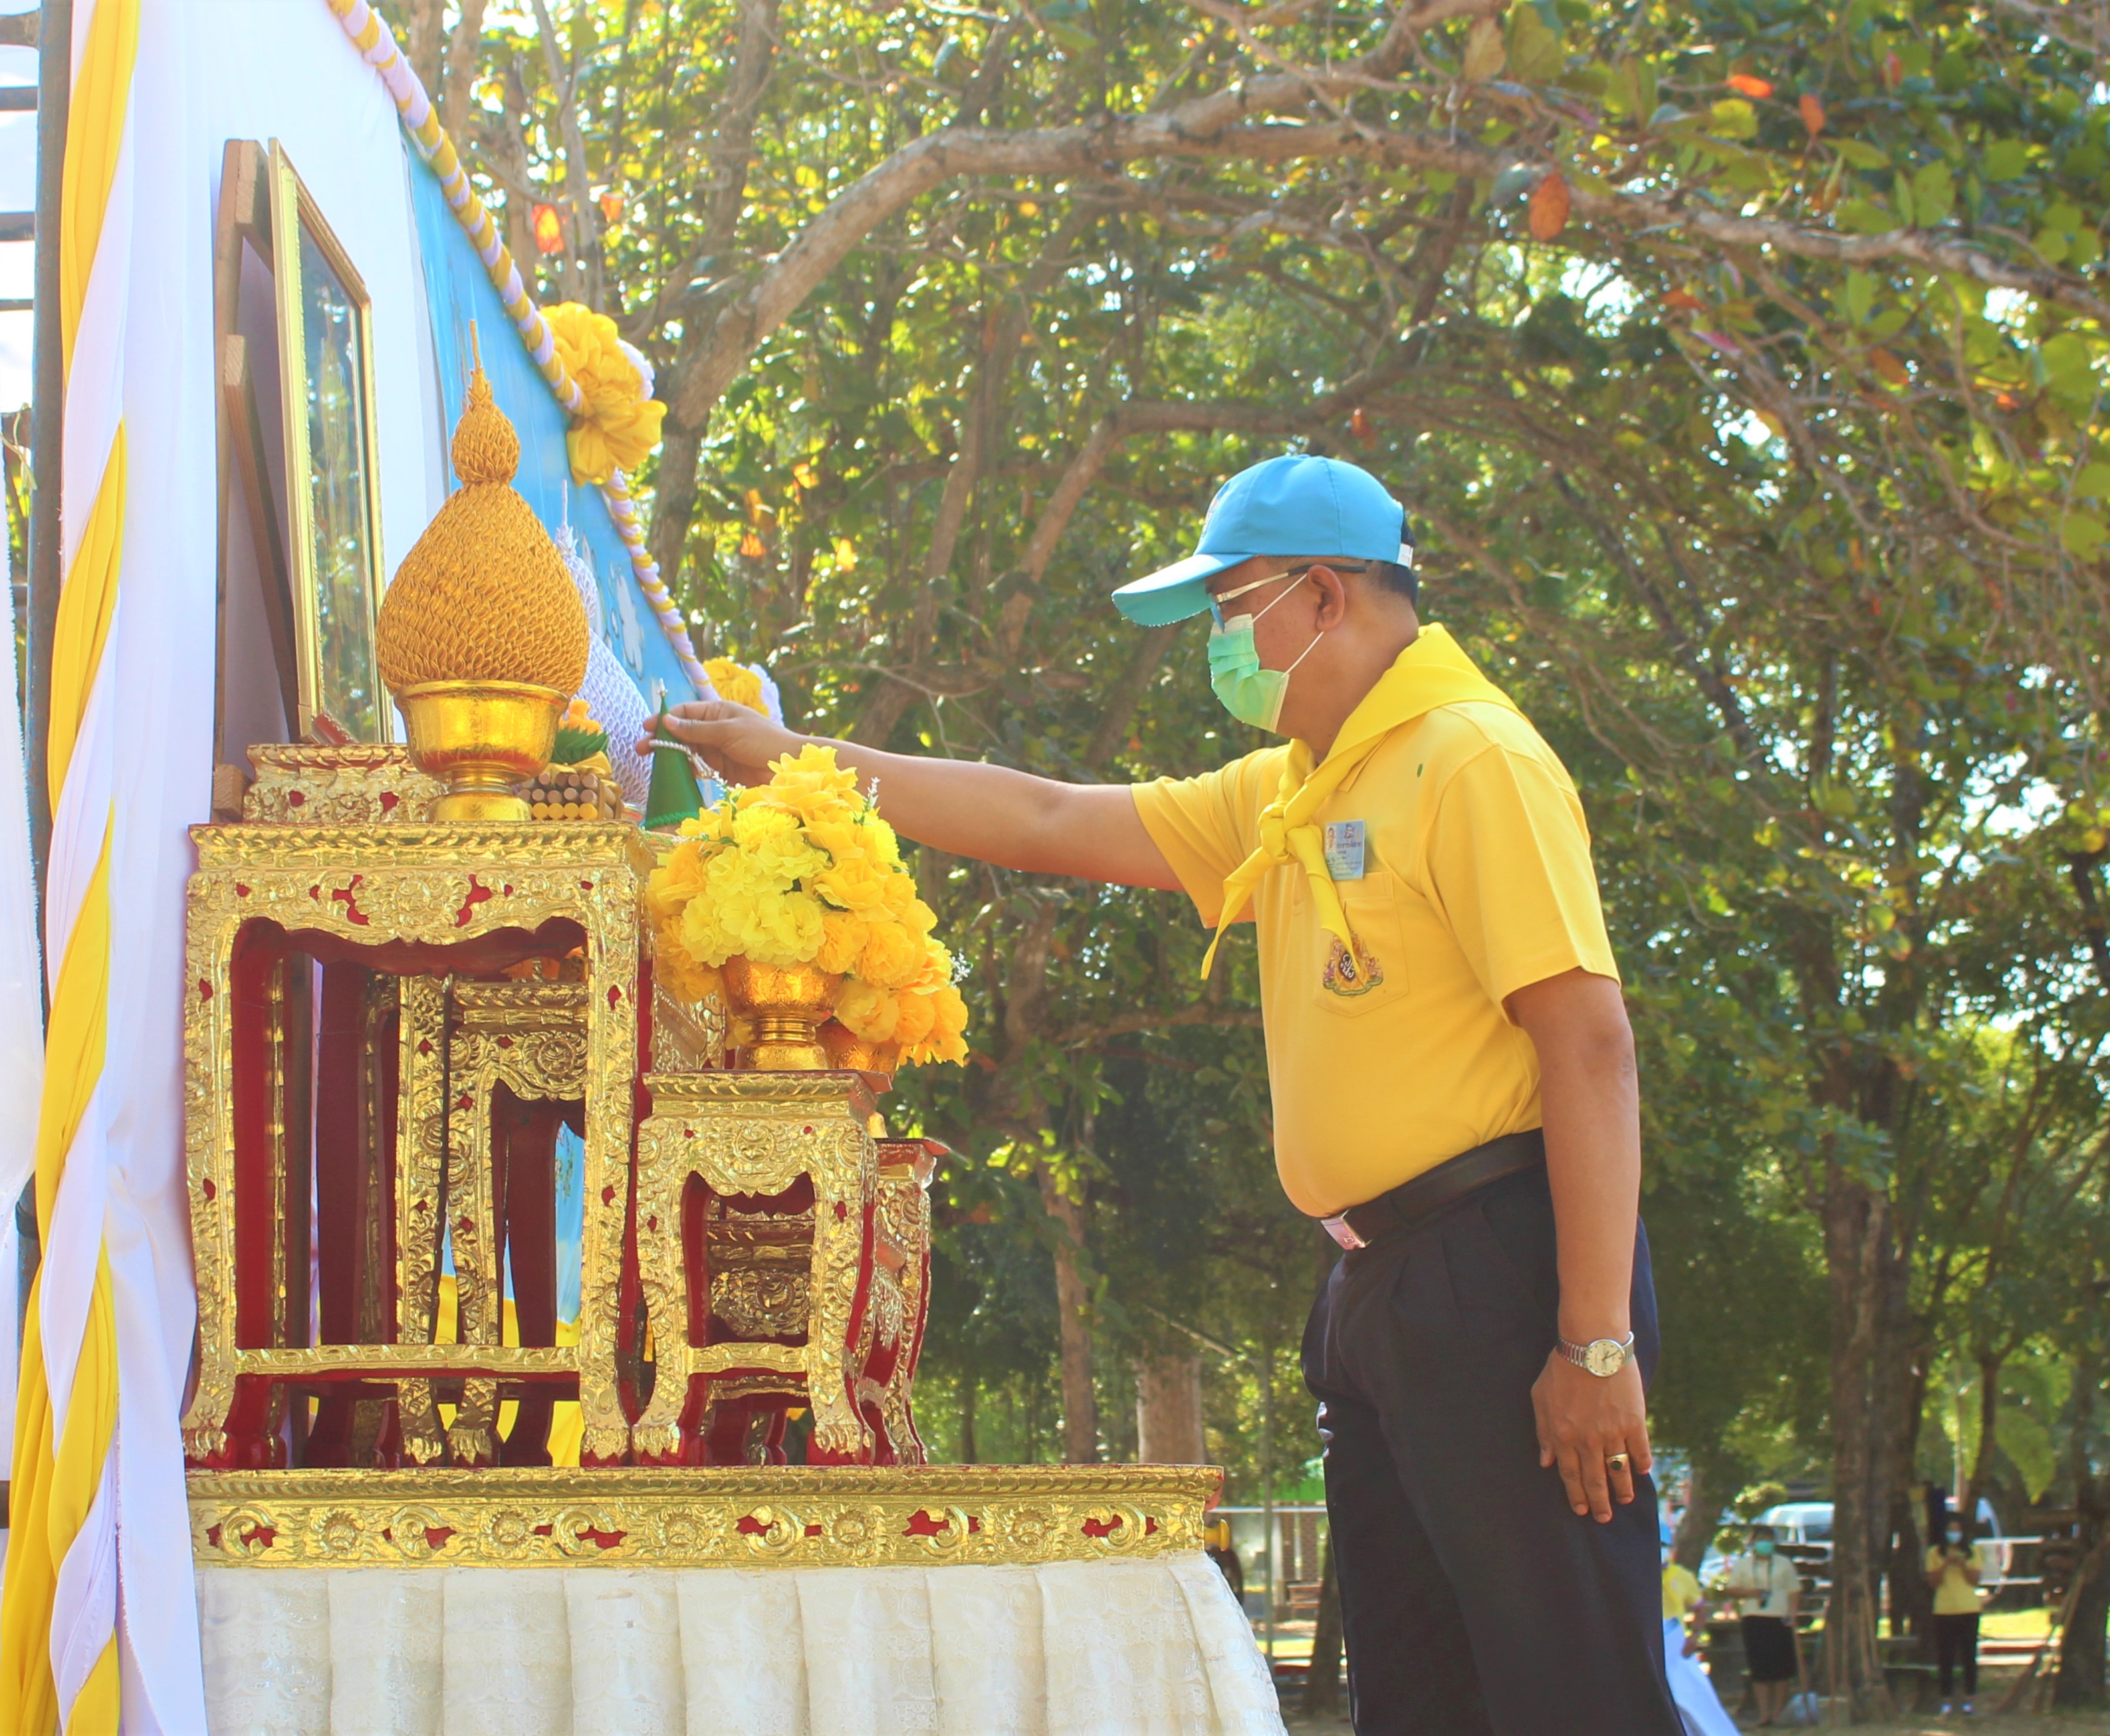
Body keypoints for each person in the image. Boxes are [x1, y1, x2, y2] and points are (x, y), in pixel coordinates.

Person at [645, 453, 1675, 1735]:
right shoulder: (1301, 782)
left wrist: (1592, 1342)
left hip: (1501, 1275)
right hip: (1378, 1285)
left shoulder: (1468, 759)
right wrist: (788, 761)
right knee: (1421, 1698)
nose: (1218, 643)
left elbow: (1587, 1044)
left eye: (1228, 610)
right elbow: (1042, 814)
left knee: (1570, 1693)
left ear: (1319, 597)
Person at [1713, 1524, 1802, 1728]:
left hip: (1779, 1618)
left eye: (1769, 1540)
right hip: (1754, 1619)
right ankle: (1764, 1714)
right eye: (1761, 1539)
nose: (1765, 1544)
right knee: (1760, 1668)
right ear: (1754, 1542)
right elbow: (1733, 1589)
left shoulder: (1783, 1563)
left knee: (1782, 1668)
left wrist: (1792, 1615)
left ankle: (1778, 1712)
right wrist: (1752, 1593)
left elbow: (1794, 1591)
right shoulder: (1744, 1564)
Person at [1663, 1547, 1743, 1736]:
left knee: (1689, 1696)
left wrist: (1694, 1636)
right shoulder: (1634, 1575)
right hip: (1644, 1646)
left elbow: (1700, 1609)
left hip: (1675, 1646)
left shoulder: (1681, 1576)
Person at [1925, 1515, 1986, 1716]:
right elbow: (1933, 1582)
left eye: (1957, 1530)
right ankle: (1946, 1699)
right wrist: (1945, 1564)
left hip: (1968, 1608)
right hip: (1944, 1609)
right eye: (1951, 1530)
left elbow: (1975, 1579)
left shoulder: (1973, 1551)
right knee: (1946, 1657)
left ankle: (1970, 1699)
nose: (1954, 1534)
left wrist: (1961, 1564)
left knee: (1969, 1655)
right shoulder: (1934, 1553)